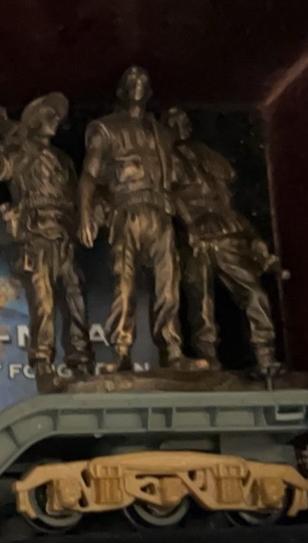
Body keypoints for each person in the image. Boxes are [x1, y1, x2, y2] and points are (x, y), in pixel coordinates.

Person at [77, 66, 205, 373]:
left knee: (168, 285)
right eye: (131, 80)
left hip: (160, 213)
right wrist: (84, 213)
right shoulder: (105, 128)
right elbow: (89, 176)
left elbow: (174, 185)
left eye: (143, 81)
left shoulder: (161, 133)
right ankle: (121, 351)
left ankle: (172, 350)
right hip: (127, 211)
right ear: (121, 90)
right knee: (124, 283)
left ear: (149, 91)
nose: (138, 84)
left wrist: (190, 226)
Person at [0, 79, 93, 382]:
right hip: (36, 237)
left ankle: (81, 363)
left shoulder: (63, 161)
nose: (55, 120)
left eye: (58, 116)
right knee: (44, 304)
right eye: (50, 114)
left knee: (75, 300)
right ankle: (43, 365)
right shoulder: (22, 152)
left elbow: (78, 199)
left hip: (63, 236)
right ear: (35, 119)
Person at [164, 107, 282, 373]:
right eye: (174, 121)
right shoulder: (166, 161)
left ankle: (265, 355)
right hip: (194, 240)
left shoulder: (208, 159)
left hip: (227, 236)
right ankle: (208, 358)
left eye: (184, 120)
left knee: (254, 293)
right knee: (201, 304)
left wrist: (255, 241)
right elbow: (170, 197)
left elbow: (228, 206)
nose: (181, 125)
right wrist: (189, 228)